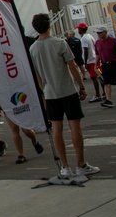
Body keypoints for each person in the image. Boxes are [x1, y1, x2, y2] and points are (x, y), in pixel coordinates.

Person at [29, 14, 100, 179]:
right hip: (67, 91)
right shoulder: (60, 43)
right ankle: (81, 164)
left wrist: (43, 91)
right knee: (75, 127)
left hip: (50, 93)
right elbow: (73, 66)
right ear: (49, 26)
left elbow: (37, 75)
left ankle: (65, 167)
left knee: (57, 130)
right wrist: (81, 86)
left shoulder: (33, 49)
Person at [94, 26, 116, 106]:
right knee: (106, 82)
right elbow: (98, 54)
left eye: (100, 33)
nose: (99, 34)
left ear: (105, 32)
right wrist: (96, 64)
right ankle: (108, 100)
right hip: (105, 64)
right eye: (97, 33)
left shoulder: (113, 40)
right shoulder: (97, 43)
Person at [77, 23, 103, 103]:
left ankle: (97, 95)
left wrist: (85, 62)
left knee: (94, 78)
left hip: (90, 61)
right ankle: (104, 93)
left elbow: (85, 50)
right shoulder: (89, 36)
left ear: (81, 30)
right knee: (99, 76)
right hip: (95, 59)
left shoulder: (84, 38)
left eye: (79, 29)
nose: (78, 30)